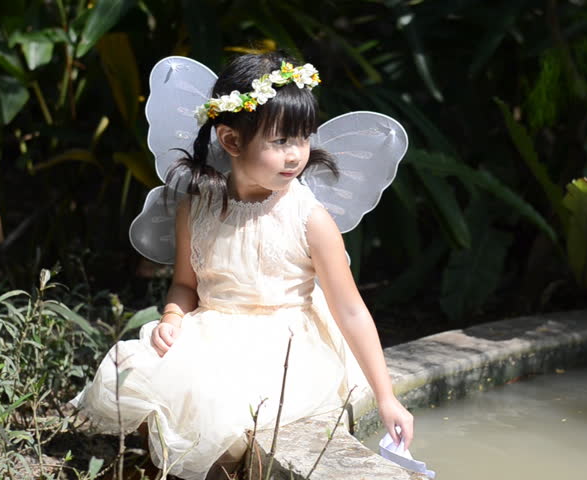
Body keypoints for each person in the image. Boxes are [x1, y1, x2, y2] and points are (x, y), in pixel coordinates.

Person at [72, 51, 414, 480]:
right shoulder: (195, 209)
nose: (296, 155)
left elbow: (350, 310)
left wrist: (387, 398)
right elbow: (184, 284)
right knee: (148, 373)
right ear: (232, 141)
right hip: (213, 330)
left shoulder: (311, 219)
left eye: (303, 138)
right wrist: (173, 317)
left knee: (225, 408)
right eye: (280, 141)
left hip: (288, 344)